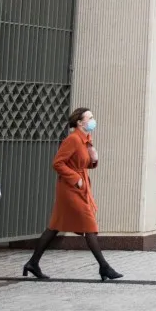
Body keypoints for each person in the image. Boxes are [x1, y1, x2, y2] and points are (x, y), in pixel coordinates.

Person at [24, 107, 124, 280]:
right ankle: (104, 267)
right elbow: (58, 163)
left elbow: (82, 162)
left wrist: (93, 160)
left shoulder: (85, 140)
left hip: (79, 187)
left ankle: (33, 262)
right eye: (89, 118)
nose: (93, 121)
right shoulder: (73, 139)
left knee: (54, 227)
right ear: (79, 122)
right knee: (90, 225)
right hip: (70, 189)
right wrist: (76, 178)